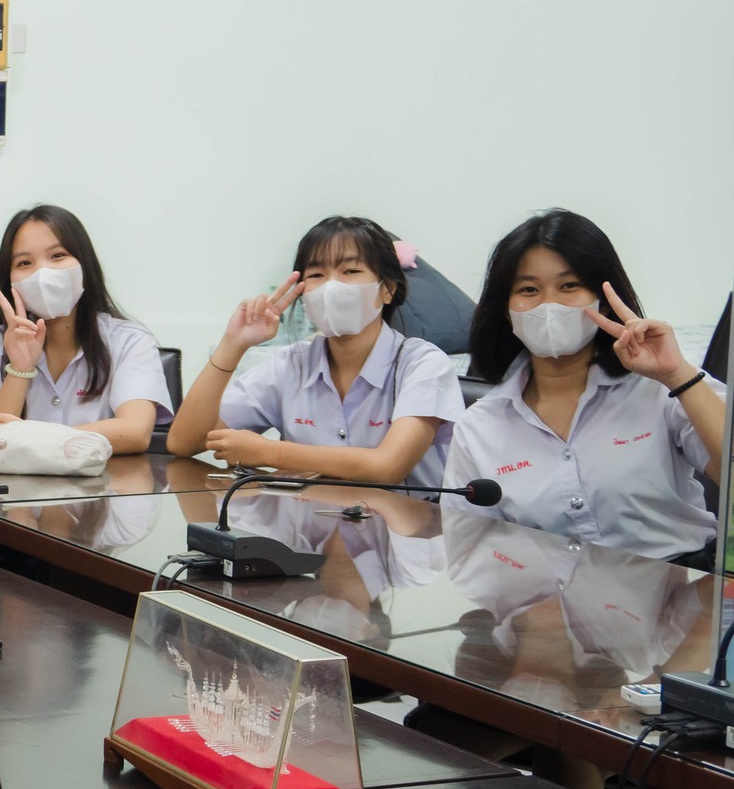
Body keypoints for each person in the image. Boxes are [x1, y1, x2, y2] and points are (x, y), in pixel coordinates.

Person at [443, 210, 725, 563]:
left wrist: (678, 375)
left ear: (603, 299)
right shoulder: (480, 426)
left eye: (569, 286)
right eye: (528, 290)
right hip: (546, 604)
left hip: (679, 597)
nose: (549, 305)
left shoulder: (656, 389)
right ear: (506, 309)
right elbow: (469, 551)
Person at [167, 215, 465, 486]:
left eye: (350, 270)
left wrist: (271, 453)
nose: (332, 287)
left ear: (387, 289)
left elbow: (386, 467)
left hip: (404, 535)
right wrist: (233, 345)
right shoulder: (292, 363)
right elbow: (184, 443)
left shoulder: (422, 364)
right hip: (309, 531)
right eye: (317, 275)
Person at [0, 205, 172, 453]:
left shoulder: (130, 340)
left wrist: (30, 436)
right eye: (24, 262)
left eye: (57, 256)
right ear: (10, 281)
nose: (42, 273)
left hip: (107, 487)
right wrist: (19, 368)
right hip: (18, 491)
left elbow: (135, 432)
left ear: (85, 264)